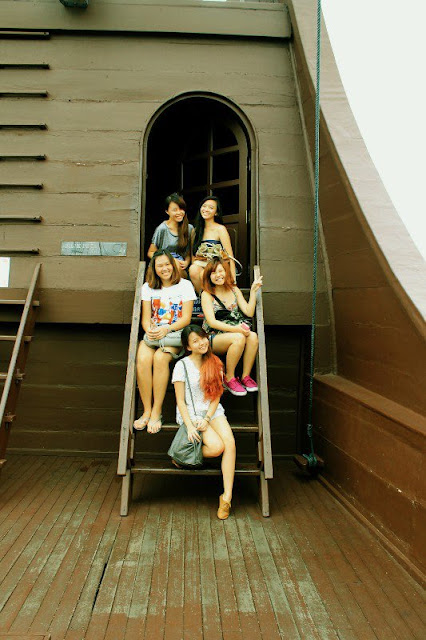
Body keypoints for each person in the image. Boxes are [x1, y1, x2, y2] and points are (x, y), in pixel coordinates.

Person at [172, 324, 236, 520]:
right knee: (216, 447)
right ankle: (182, 457)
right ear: (188, 346)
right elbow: (180, 401)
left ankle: (226, 497)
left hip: (211, 412)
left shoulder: (215, 363)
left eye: (202, 338)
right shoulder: (181, 366)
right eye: (195, 341)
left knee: (230, 443)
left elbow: (216, 395)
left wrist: (207, 418)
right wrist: (191, 425)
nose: (201, 342)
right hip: (191, 414)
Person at [134, 250, 196, 433]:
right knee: (143, 359)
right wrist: (150, 330)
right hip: (154, 335)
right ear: (154, 268)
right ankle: (146, 410)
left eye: (167, 264)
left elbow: (186, 319)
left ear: (173, 265)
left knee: (160, 358)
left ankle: (156, 411)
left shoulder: (185, 285)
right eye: (159, 265)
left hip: (174, 334)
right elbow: (146, 318)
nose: (164, 269)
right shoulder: (148, 287)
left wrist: (166, 329)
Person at [201, 258, 262, 396]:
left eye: (220, 271)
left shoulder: (234, 289)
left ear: (226, 272)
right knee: (239, 338)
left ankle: (245, 376)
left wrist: (253, 292)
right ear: (208, 276)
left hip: (234, 331)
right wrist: (238, 329)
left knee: (253, 336)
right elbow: (212, 322)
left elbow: (249, 312)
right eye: (213, 273)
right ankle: (229, 378)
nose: (218, 275)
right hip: (214, 336)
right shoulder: (207, 294)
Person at [189, 196, 237, 293]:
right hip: (200, 264)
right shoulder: (195, 231)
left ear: (216, 212)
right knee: (193, 269)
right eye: (204, 206)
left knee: (204, 274)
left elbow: (230, 256)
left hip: (216, 266)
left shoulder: (220, 229)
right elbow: (193, 254)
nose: (206, 209)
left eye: (211, 208)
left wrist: (233, 280)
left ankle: (213, 297)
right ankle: (202, 296)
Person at [147, 193, 193, 273]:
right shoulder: (162, 229)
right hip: (164, 265)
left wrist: (186, 262)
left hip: (180, 266)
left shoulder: (189, 228)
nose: (179, 212)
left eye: (181, 209)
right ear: (167, 211)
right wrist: (169, 260)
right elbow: (150, 252)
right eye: (175, 210)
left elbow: (188, 253)